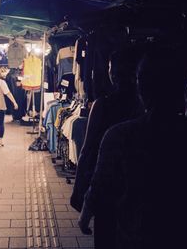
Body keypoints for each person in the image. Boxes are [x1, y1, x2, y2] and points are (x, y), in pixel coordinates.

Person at [83, 49, 187, 249]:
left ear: (141, 87)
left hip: (137, 237)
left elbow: (100, 186)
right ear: (182, 87)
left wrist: (86, 211)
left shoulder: (120, 135)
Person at [70, 49, 144, 248]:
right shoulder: (144, 107)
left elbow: (88, 150)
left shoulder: (103, 105)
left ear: (112, 73)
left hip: (109, 192)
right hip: (140, 192)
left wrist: (81, 195)